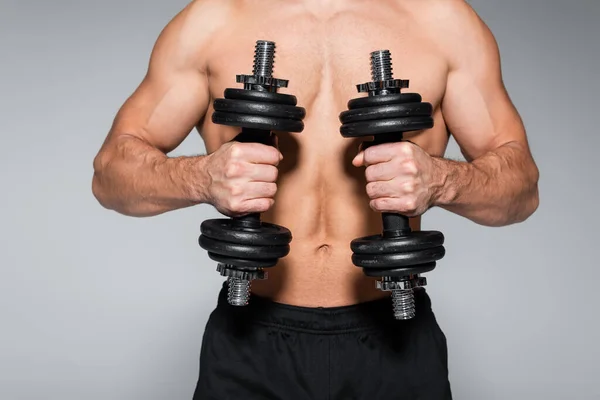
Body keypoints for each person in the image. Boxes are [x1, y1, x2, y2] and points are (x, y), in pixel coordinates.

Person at [91, 0, 539, 398]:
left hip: (396, 338)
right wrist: (200, 177)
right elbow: (110, 176)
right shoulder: (214, 20)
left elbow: (521, 191)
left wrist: (441, 180)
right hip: (251, 338)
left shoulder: (441, 21)